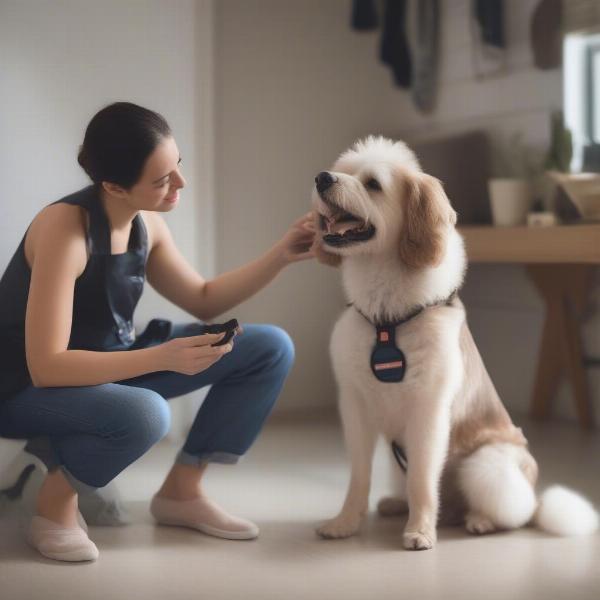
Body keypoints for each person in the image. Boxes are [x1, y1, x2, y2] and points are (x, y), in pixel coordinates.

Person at [0, 102, 316, 562]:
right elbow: (46, 366)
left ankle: (181, 493)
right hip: (24, 389)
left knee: (268, 347)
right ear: (113, 186)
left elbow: (204, 298)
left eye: (178, 167)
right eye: (163, 179)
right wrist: (161, 357)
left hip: (111, 362)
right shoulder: (65, 230)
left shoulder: (147, 222)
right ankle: (53, 507)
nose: (180, 185)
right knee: (147, 414)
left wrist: (281, 255)